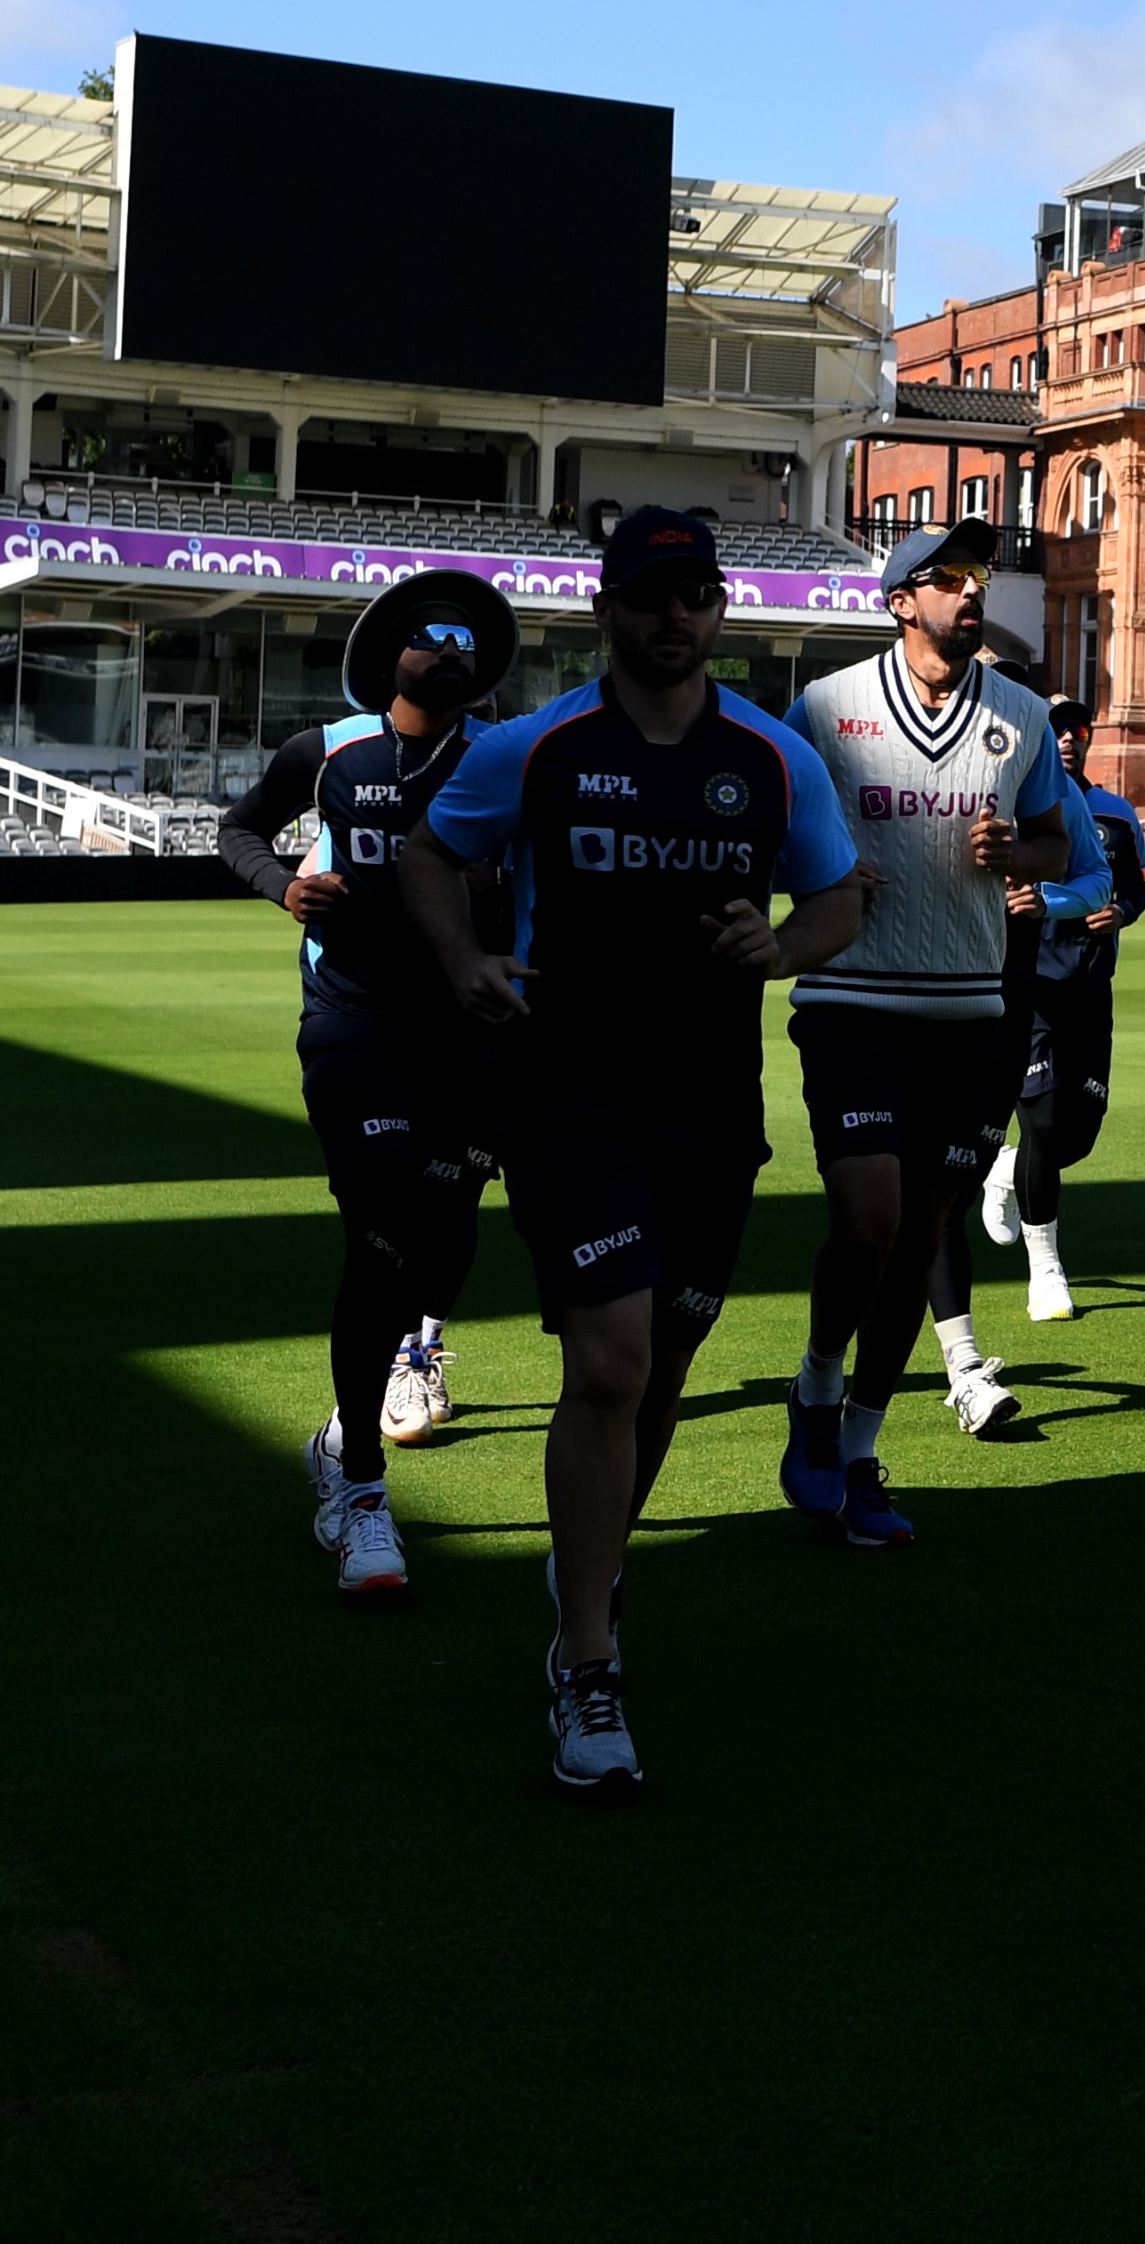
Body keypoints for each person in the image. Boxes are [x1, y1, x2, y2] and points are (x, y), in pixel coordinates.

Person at [401, 506, 865, 1800]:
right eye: (652, 592)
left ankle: (589, 1560)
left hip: (714, 1109)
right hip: (570, 1096)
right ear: (606, 607)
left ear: (720, 610)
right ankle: (585, 1656)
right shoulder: (536, 748)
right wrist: (463, 960)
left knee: (663, 1365)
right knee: (607, 1355)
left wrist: (788, 945)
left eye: (696, 593)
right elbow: (432, 854)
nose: (676, 615)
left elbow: (838, 892)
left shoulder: (773, 761)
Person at [217, 569, 517, 1590]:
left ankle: (387, 1380)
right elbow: (237, 829)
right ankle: (362, 1488)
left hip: (468, 1028)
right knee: (382, 1222)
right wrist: (287, 885)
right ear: (389, 649)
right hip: (354, 1022)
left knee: (445, 1222)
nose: (449, 649)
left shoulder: (503, 758)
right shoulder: (328, 749)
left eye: (467, 638)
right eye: (429, 635)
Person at [781, 520, 1076, 1537]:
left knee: (918, 1236)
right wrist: (815, 871)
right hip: (850, 997)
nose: (969, 592)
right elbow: (764, 818)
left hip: (968, 1008)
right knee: (866, 1217)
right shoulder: (826, 705)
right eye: (947, 577)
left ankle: (860, 1447)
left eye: (977, 577)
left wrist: (1015, 851)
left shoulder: (1023, 714)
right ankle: (816, 1389)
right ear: (900, 599)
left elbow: (1055, 841)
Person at [972, 700, 1145, 1330]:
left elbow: (1131, 884)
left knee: (1076, 1133)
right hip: (1030, 985)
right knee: (1045, 1123)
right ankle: (1045, 1268)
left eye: (1079, 731)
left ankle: (1005, 1164)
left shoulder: (1113, 812)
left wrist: (1120, 911)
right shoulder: (1008, 801)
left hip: (1090, 984)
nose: (1069, 740)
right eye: (1057, 731)